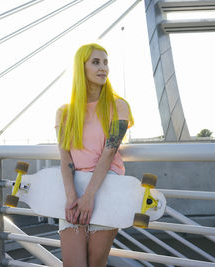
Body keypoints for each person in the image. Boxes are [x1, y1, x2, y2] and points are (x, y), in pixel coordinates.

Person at [55, 43, 134, 267]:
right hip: (75, 190)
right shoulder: (64, 113)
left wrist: (89, 197)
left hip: (107, 187)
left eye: (106, 62)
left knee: (95, 263)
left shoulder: (119, 106)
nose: (103, 68)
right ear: (82, 67)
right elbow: (65, 158)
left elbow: (109, 153)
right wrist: (72, 197)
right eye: (96, 62)